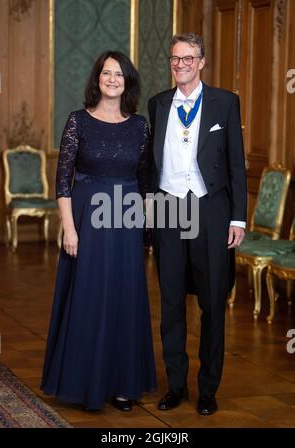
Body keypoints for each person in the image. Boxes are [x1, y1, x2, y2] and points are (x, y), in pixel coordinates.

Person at [41, 51, 157, 412]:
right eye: (106, 73)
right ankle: (84, 382)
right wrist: (69, 230)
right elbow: (63, 182)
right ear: (97, 79)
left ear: (128, 82)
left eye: (119, 74)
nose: (112, 79)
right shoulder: (78, 121)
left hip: (124, 221)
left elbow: (144, 181)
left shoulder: (140, 127)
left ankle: (122, 385)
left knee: (124, 299)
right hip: (86, 222)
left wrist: (145, 229)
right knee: (89, 299)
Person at [147, 33, 247, 415]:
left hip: (211, 210)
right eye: (175, 59)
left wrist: (237, 217)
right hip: (169, 209)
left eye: (188, 59)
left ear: (201, 62)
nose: (181, 65)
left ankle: (208, 388)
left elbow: (237, 164)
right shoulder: (158, 104)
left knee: (212, 303)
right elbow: (150, 166)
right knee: (171, 301)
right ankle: (176, 385)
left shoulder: (225, 103)